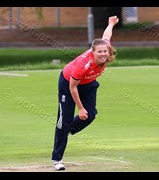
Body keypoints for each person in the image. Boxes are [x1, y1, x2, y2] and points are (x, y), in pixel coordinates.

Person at [51, 16, 119, 171]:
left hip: (88, 84)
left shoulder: (105, 50)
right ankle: (57, 159)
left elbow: (106, 36)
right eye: (99, 52)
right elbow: (72, 87)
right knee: (65, 120)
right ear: (92, 52)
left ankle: (67, 131)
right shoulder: (83, 65)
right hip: (68, 84)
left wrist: (110, 23)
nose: (103, 54)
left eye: (105, 52)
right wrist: (80, 108)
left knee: (90, 115)